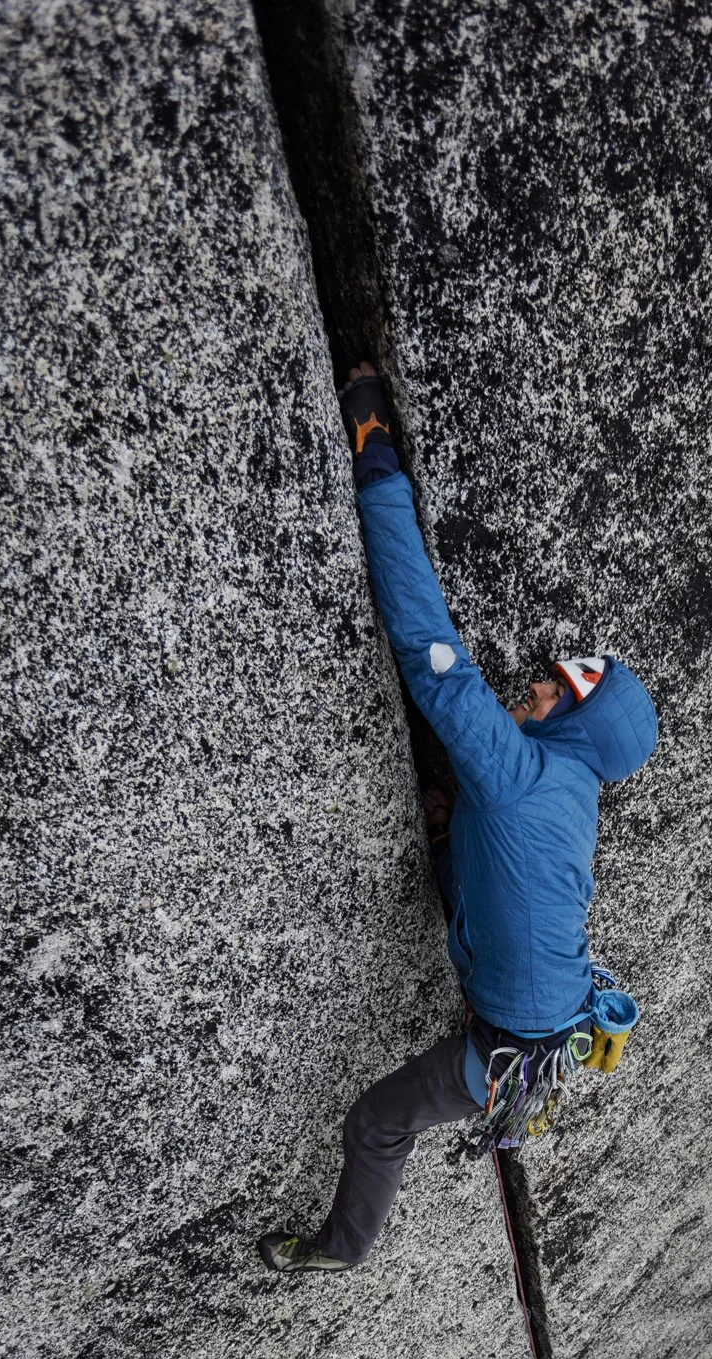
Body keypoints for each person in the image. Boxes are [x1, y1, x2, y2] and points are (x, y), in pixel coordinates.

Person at [258, 366, 658, 1276]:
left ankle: (339, 1250)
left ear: (575, 715)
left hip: (508, 1044)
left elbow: (430, 654)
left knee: (375, 1121)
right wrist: (449, 835)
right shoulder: (569, 788)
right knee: (456, 860)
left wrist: (377, 464)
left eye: (553, 685)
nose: (534, 685)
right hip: (540, 1020)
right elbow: (506, 883)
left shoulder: (520, 774)